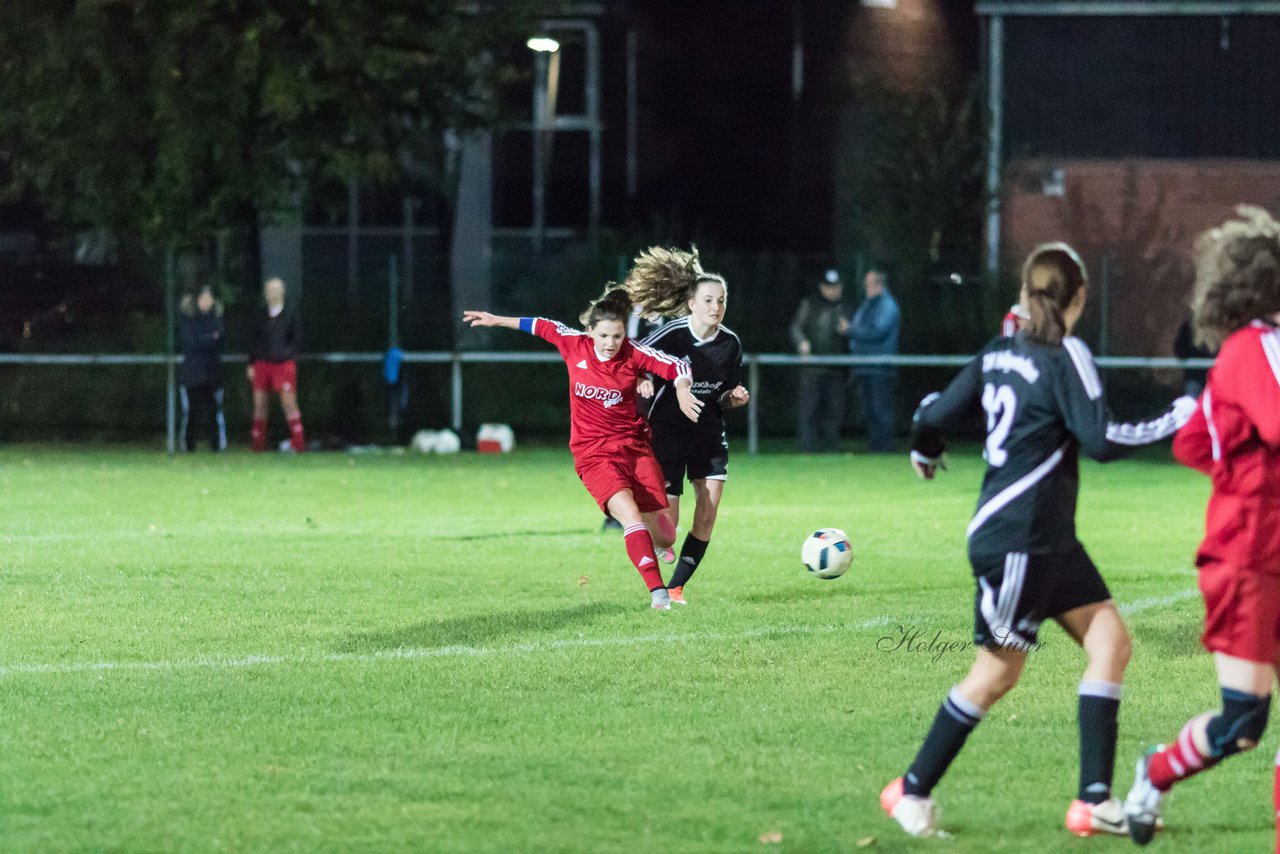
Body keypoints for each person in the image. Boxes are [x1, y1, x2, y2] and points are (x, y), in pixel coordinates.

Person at [880, 243, 1195, 840]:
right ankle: (910, 791)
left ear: (1025, 294)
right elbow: (1099, 440)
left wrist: (926, 450)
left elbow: (933, 412)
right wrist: (1181, 415)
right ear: (1078, 299)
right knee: (996, 674)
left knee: (1111, 643)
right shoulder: (1065, 354)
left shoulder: (999, 352)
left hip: (1046, 542)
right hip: (1021, 543)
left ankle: (1093, 803)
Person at [1122, 206, 1280, 847]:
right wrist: (1246, 483)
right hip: (1250, 559)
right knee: (1244, 723)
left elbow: (1194, 441)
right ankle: (1153, 775)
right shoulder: (1247, 349)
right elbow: (1269, 426)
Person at [462, 285, 702, 610]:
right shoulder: (574, 344)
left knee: (667, 536)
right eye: (604, 336)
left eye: (617, 336)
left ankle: (656, 542)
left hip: (634, 449)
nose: (611, 344)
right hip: (593, 454)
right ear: (590, 333)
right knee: (628, 514)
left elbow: (678, 367)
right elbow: (539, 324)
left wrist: (682, 388)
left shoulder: (633, 352)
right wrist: (494, 319)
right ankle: (657, 593)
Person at [624, 247, 749, 605]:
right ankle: (645, 520)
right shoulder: (672, 335)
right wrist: (641, 380)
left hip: (709, 437)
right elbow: (632, 359)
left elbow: (723, 394)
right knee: (666, 534)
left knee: (707, 514)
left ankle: (676, 588)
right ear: (692, 303)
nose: (716, 307)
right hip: (668, 436)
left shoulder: (731, 344)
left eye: (721, 301)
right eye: (709, 300)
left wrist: (733, 399)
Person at [790, 269, 849, 453]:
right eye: (830, 287)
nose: (834, 291)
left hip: (836, 369)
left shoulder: (845, 307)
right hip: (812, 369)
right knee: (809, 411)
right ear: (822, 287)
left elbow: (854, 333)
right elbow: (795, 328)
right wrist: (802, 342)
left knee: (834, 412)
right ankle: (807, 449)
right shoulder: (809, 304)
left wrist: (848, 331)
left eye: (837, 287)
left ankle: (831, 449)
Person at [248, 277, 306, 453]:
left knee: (289, 403)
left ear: (282, 292)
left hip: (284, 365)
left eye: (276, 290)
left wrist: (287, 355)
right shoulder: (260, 314)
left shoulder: (291, 313)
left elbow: (297, 339)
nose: (272, 293)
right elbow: (253, 339)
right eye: (269, 290)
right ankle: (257, 444)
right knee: (260, 404)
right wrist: (252, 363)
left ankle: (299, 442)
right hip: (262, 364)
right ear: (265, 293)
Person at [847, 269, 901, 453]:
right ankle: (874, 448)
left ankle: (884, 449)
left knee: (881, 411)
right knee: (870, 412)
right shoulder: (867, 304)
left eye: (869, 284)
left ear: (879, 284)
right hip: (865, 367)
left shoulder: (888, 305)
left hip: (880, 369)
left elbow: (878, 331)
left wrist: (851, 330)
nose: (866, 288)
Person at [178, 285, 226, 452]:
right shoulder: (189, 319)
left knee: (214, 411)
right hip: (193, 373)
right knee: (192, 412)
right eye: (203, 298)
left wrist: (206, 339)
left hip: (212, 373)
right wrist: (208, 338)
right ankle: (188, 446)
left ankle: (217, 445)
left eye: (209, 298)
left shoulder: (217, 318)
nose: (206, 301)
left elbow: (218, 338)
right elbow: (192, 341)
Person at [1172, 313, 1213, 399]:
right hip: (1194, 377)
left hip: (1215, 377)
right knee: (1192, 402)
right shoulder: (1189, 325)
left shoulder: (1219, 325)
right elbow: (1179, 347)